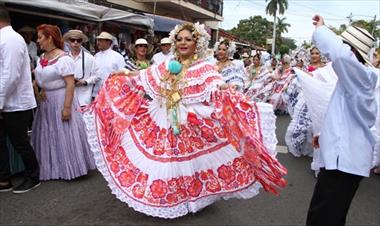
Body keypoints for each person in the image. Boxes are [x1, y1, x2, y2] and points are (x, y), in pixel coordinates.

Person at [82, 22, 287, 218]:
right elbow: (145, 75)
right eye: (179, 39)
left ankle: (192, 199)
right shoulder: (169, 64)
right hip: (163, 118)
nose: (182, 43)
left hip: (189, 122)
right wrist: (124, 73)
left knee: (189, 164)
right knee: (168, 161)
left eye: (188, 39)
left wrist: (227, 88)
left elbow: (216, 84)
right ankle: (170, 198)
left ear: (196, 43)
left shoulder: (204, 67)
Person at [306, 15, 378, 226]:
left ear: (351, 51)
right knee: (331, 217)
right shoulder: (357, 79)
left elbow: (339, 54)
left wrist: (322, 29)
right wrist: (324, 136)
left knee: (322, 219)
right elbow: (345, 118)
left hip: (344, 164)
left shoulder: (359, 75)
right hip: (344, 160)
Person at [32, 24, 96, 180]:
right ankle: (54, 167)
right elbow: (40, 78)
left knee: (65, 134)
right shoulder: (42, 58)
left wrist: (67, 108)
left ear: (50, 38)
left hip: (62, 99)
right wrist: (41, 89)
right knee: (51, 134)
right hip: (47, 103)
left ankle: (71, 167)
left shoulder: (63, 58)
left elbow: (70, 84)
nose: (38, 40)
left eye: (40, 37)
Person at [0, 6, 40, 194]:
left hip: (15, 103)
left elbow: (11, 75)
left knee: (20, 143)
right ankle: (4, 178)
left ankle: (33, 177)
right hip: (5, 102)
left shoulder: (11, 39)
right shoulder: (6, 38)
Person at [63, 30, 100, 107]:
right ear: (68, 41)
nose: (75, 42)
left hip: (83, 98)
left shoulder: (90, 58)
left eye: (78, 40)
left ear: (82, 42)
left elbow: (97, 75)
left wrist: (85, 82)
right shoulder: (63, 58)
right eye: (72, 40)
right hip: (66, 98)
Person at [92, 32, 125, 98]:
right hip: (97, 92)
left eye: (101, 40)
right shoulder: (96, 56)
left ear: (108, 42)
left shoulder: (117, 57)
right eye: (98, 40)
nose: (98, 43)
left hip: (111, 93)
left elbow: (122, 74)